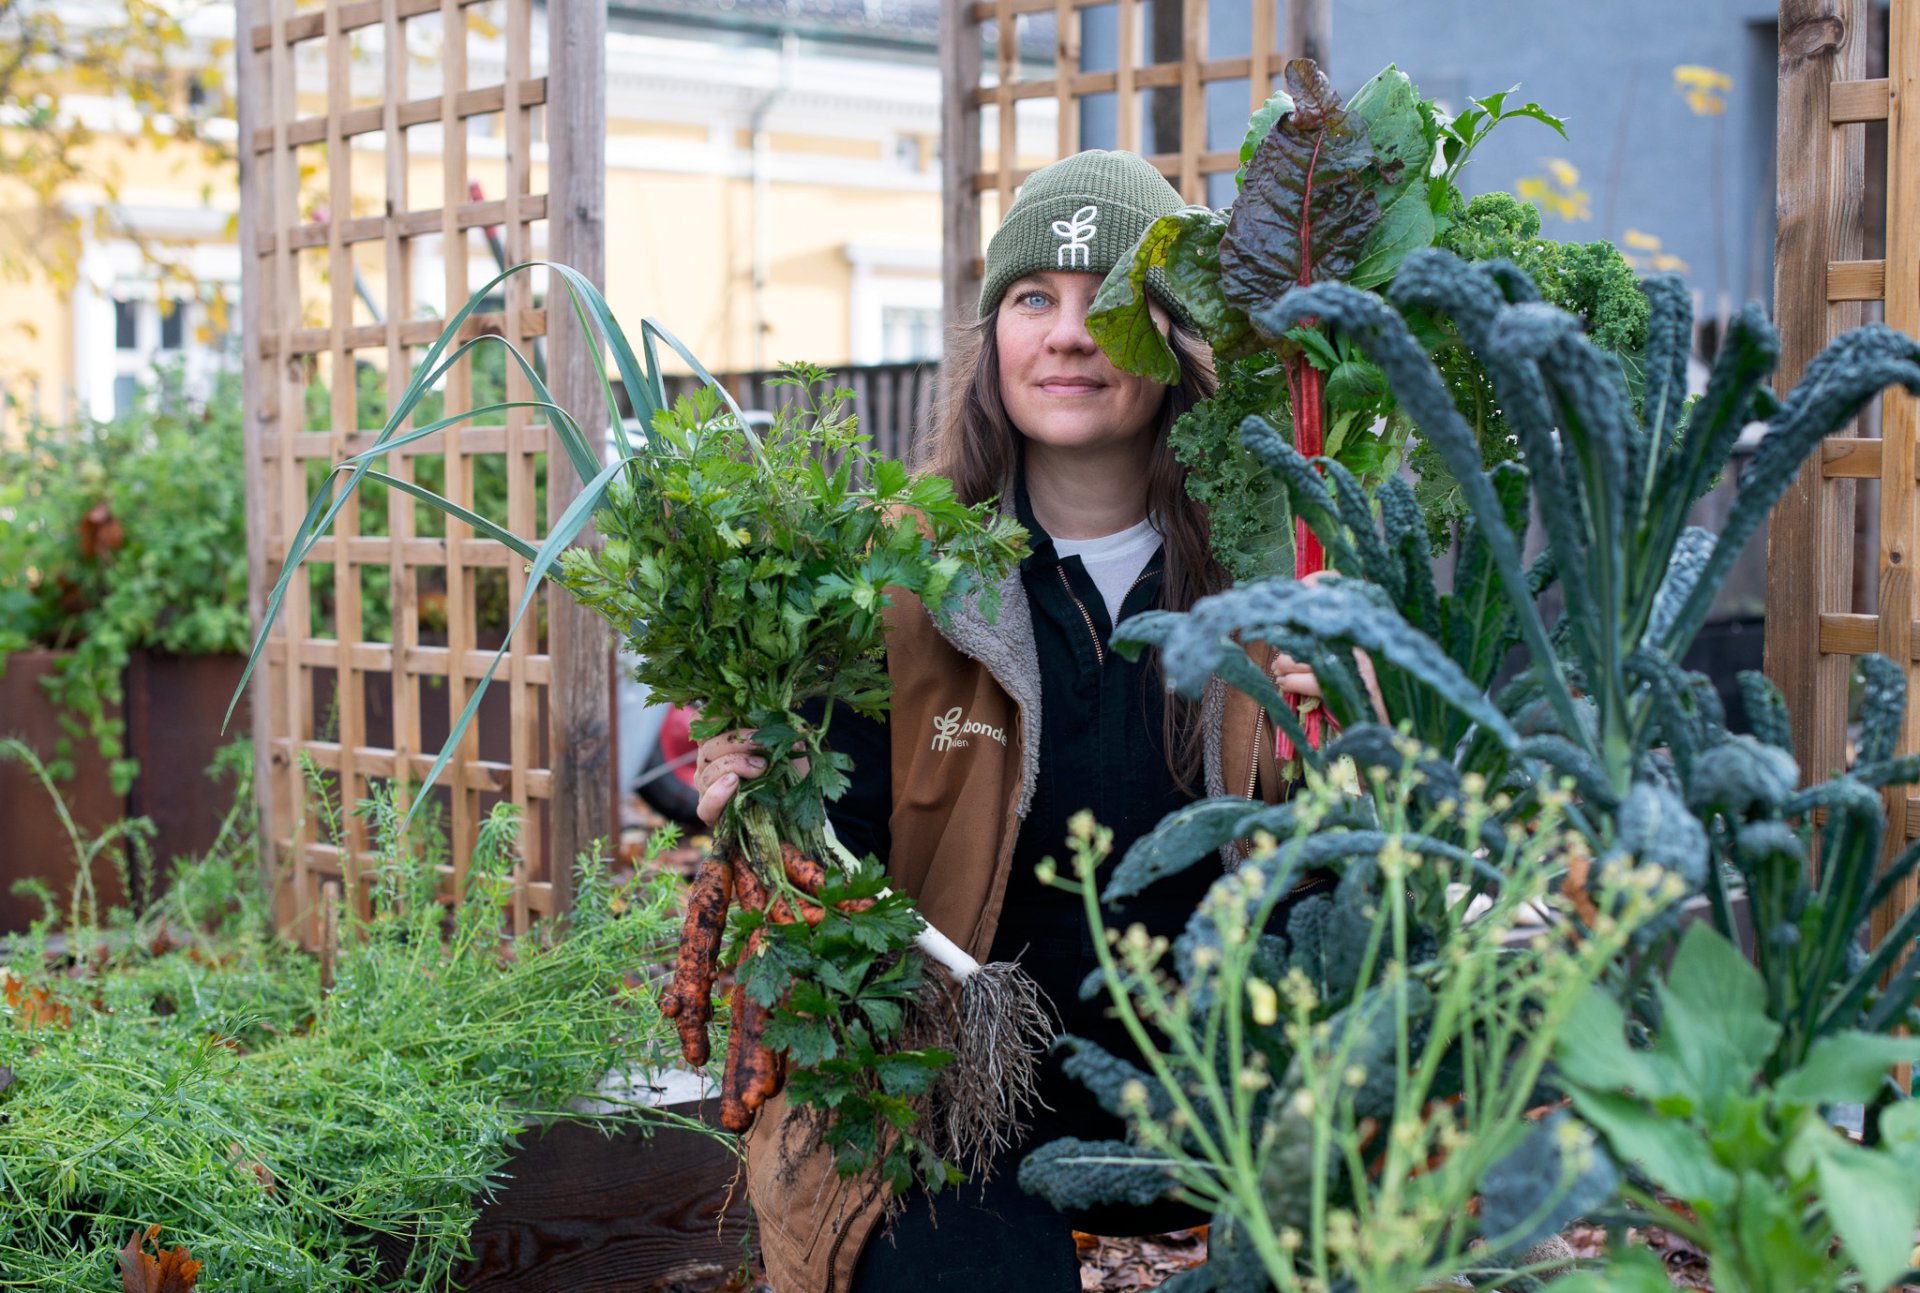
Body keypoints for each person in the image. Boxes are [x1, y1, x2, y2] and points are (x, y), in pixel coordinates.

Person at [694, 150, 1301, 1293]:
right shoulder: (894, 582)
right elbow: (837, 857)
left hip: (1236, 1099)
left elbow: (1349, 873)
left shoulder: (1277, 586)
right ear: (995, 340)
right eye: (1035, 299)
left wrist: (1348, 735)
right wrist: (767, 803)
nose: (1068, 335)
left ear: (1176, 346)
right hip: (956, 1107)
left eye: (1111, 304)